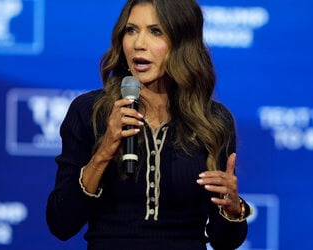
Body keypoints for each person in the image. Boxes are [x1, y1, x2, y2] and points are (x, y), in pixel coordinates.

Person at [46, 0, 253, 249]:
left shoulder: (211, 121)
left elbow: (225, 241)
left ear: (182, 42)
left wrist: (232, 208)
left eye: (155, 31)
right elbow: (61, 223)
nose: (138, 44)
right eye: (131, 30)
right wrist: (103, 153)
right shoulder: (91, 111)